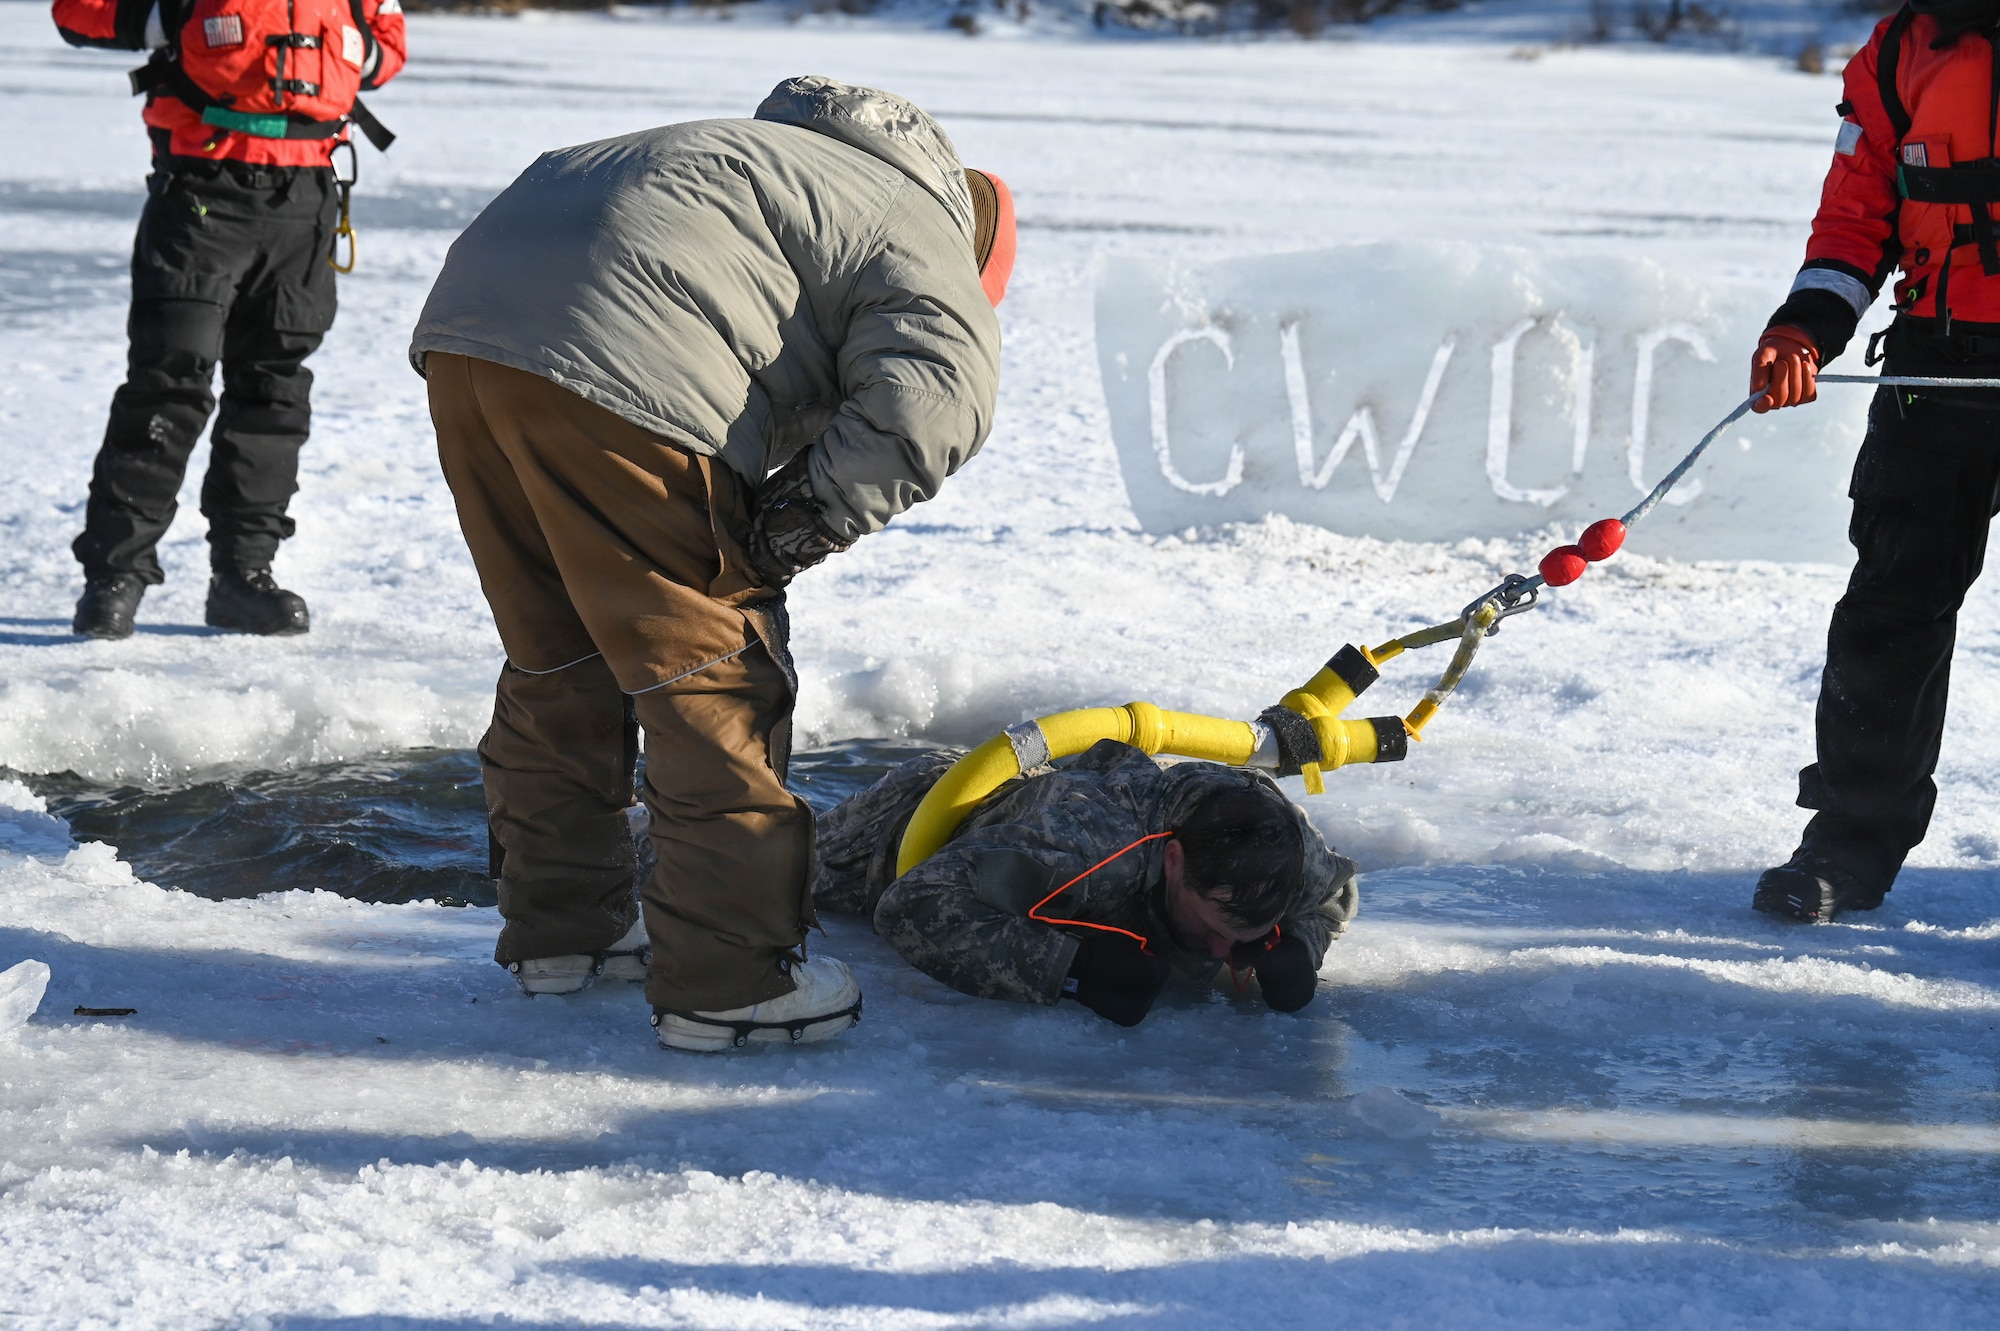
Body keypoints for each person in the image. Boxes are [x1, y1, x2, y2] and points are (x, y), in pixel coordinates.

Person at [408, 77, 1012, 1051]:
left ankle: (569, 930)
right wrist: (790, 527)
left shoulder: (764, 166)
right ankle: (731, 976)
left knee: (558, 650)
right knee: (711, 666)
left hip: (470, 337)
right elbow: (932, 405)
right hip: (632, 358)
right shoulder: (920, 224)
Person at [1749, 0, 2000, 921]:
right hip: (1938, 364)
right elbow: (1857, 218)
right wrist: (1805, 325)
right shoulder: (1898, 53)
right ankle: (1847, 847)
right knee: (1890, 609)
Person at [55, 0, 407, 639]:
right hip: (201, 192)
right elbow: (78, 13)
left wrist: (359, 50)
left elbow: (389, 45)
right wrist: (162, 18)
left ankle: (244, 577)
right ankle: (115, 577)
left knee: (274, 389)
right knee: (170, 377)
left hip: (304, 200)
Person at [812, 741, 1359, 1025]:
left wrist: (1300, 946)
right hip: (904, 823)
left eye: (1239, 936)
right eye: (1215, 927)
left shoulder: (1290, 851)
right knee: (763, 864)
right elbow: (909, 904)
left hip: (1055, 801)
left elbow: (1334, 894)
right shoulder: (1091, 845)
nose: (1221, 952)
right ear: (1173, 861)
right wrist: (1070, 969)